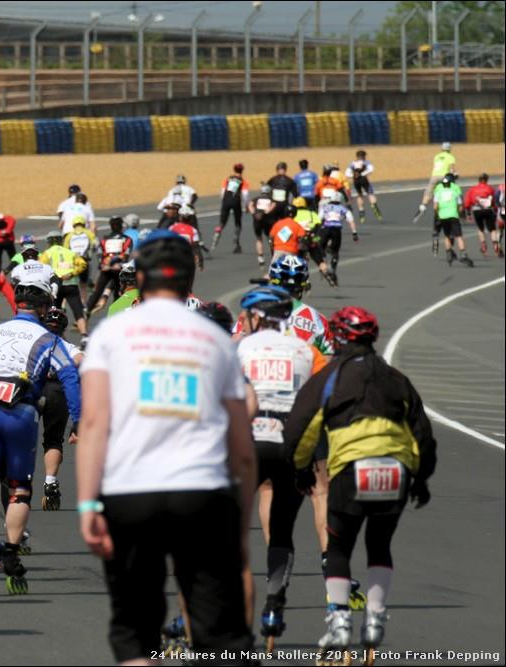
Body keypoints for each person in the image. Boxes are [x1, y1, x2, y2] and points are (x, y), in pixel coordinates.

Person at [76, 231, 256, 661]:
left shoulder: (111, 333)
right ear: (189, 279)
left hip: (130, 492)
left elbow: (94, 422)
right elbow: (242, 448)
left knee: (135, 632)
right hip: (203, 492)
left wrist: (88, 504)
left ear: (139, 277)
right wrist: (241, 522)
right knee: (219, 634)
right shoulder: (216, 339)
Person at [284, 306, 436, 663]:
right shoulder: (396, 378)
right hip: (395, 471)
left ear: (337, 338)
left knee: (339, 548)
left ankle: (339, 622)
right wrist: (421, 478)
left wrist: (301, 468)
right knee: (379, 545)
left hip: (351, 470)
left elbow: (300, 427)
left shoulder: (330, 377)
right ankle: (375, 619)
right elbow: (422, 434)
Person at [0, 275, 81, 594]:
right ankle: (10, 551)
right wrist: (79, 420)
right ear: (44, 307)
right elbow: (70, 378)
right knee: (19, 488)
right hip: (20, 413)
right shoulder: (48, 338)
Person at [235, 286, 317, 651]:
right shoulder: (305, 350)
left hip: (250, 440)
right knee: (282, 530)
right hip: (291, 443)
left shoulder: (241, 348)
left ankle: (224, 611)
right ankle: (274, 604)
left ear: (257, 317)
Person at [38, 307, 83, 511]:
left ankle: (17, 484)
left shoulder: (35, 342)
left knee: (22, 438)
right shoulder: (67, 346)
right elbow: (81, 359)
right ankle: (50, 481)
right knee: (53, 440)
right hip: (57, 391)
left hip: (34, 390)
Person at [43, 230, 89, 344]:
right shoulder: (70, 252)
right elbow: (83, 264)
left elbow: (41, 266)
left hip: (55, 286)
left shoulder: (48, 253)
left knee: (54, 313)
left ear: (49, 242)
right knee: (78, 311)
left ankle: (62, 339)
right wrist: (72, 273)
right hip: (71, 284)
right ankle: (84, 336)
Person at [85, 217, 133, 317]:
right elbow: (126, 255)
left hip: (107, 269)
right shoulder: (127, 239)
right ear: (121, 226)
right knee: (118, 292)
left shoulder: (104, 239)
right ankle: (116, 314)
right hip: (118, 269)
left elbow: (99, 254)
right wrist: (119, 265)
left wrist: (103, 265)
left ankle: (84, 314)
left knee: (97, 292)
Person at [431, 173, 474, 267]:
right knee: (459, 236)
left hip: (442, 216)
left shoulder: (438, 189)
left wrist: (438, 214)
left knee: (447, 235)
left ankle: (449, 254)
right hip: (453, 216)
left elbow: (435, 206)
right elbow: (461, 206)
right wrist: (459, 214)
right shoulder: (455, 189)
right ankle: (463, 254)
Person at [318, 193, 359, 284]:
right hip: (336, 230)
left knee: (320, 247)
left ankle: (323, 263)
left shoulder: (325, 207)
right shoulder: (344, 209)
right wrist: (354, 233)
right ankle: (333, 268)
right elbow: (351, 221)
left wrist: (317, 232)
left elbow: (319, 219)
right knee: (335, 252)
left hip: (326, 228)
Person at [414, 141, 456, 222]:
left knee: (428, 193)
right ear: (449, 149)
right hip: (444, 176)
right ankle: (450, 209)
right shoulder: (450, 157)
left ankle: (423, 206)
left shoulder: (437, 156)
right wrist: (454, 175)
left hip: (434, 176)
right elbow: (452, 169)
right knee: (450, 191)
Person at [464, 173, 501, 257]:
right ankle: (495, 244)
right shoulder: (490, 188)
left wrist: (468, 213)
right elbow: (495, 200)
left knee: (480, 228)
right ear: (486, 180)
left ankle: (483, 245)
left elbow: (467, 202)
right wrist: (495, 210)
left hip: (477, 210)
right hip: (488, 210)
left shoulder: (473, 189)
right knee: (492, 229)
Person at [215, 163, 249, 254]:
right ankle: (237, 242)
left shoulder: (228, 179)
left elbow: (222, 191)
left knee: (223, 221)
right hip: (236, 201)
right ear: (242, 171)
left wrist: (224, 201)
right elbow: (245, 194)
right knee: (237, 222)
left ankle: (218, 231)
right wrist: (246, 205)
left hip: (226, 200)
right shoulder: (243, 181)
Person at [345, 150, 382, 225]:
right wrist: (362, 174)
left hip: (356, 181)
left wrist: (353, 176)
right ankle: (374, 206)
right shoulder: (366, 162)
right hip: (363, 180)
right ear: (363, 156)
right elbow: (371, 169)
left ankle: (361, 211)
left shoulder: (352, 163)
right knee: (370, 193)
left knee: (359, 195)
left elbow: (347, 173)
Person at [63, 219, 97, 300]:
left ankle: (63, 304)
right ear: (83, 224)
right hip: (84, 261)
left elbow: (65, 250)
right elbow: (95, 245)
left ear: (73, 225)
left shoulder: (69, 235)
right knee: (83, 285)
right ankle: (83, 302)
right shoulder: (88, 233)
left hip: (73, 262)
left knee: (67, 284)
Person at [250, 184, 279, 268]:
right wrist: (266, 212)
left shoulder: (255, 199)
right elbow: (273, 206)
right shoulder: (271, 200)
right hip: (267, 221)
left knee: (259, 238)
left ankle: (260, 257)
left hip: (257, 220)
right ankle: (273, 255)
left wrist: (253, 213)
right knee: (270, 237)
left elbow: (250, 204)